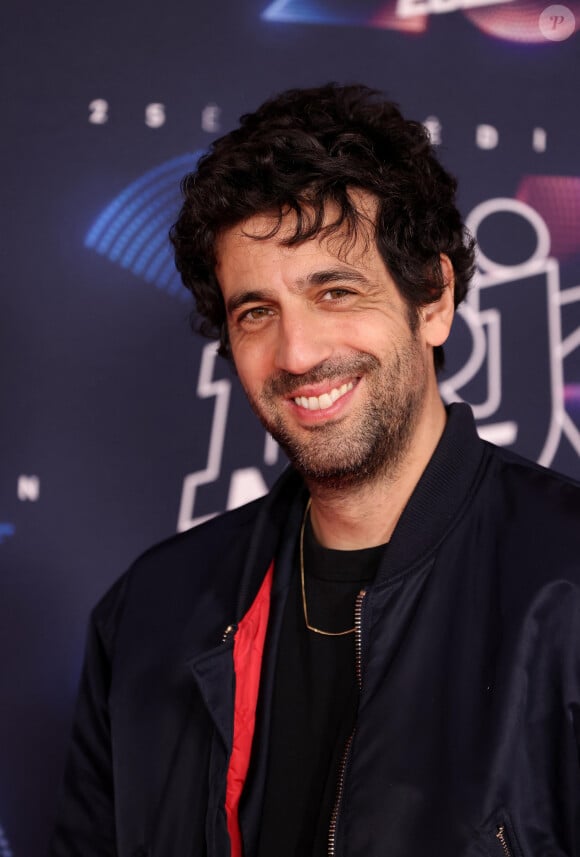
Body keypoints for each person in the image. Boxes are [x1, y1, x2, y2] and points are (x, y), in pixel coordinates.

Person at [51, 84, 580, 857]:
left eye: (335, 291)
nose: (296, 354)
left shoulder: (564, 582)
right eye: (256, 312)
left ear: (432, 298)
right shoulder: (146, 617)